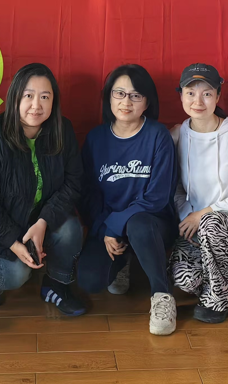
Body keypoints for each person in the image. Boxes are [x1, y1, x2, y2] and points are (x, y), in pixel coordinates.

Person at [0, 64, 86, 315]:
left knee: (71, 229)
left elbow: (74, 182)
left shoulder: (63, 130)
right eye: (28, 95)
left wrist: (43, 221)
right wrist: (13, 242)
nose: (36, 105)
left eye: (45, 97)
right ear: (14, 97)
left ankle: (56, 285)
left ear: (54, 101)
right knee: (14, 275)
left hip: (39, 219)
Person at [77, 65, 179, 336]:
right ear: (108, 97)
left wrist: (115, 226)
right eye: (119, 93)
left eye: (135, 95)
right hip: (108, 226)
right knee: (90, 281)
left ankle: (162, 294)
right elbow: (88, 194)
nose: (126, 102)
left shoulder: (158, 136)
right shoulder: (95, 139)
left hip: (152, 225)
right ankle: (124, 260)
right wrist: (106, 228)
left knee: (138, 224)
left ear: (147, 102)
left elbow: (157, 197)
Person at [168, 64, 228, 324]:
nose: (198, 101)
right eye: (190, 93)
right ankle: (217, 276)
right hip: (197, 223)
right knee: (184, 279)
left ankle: (221, 299)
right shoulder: (177, 135)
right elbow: (176, 189)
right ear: (181, 95)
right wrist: (189, 216)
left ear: (218, 96)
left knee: (212, 224)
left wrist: (204, 214)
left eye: (207, 94)